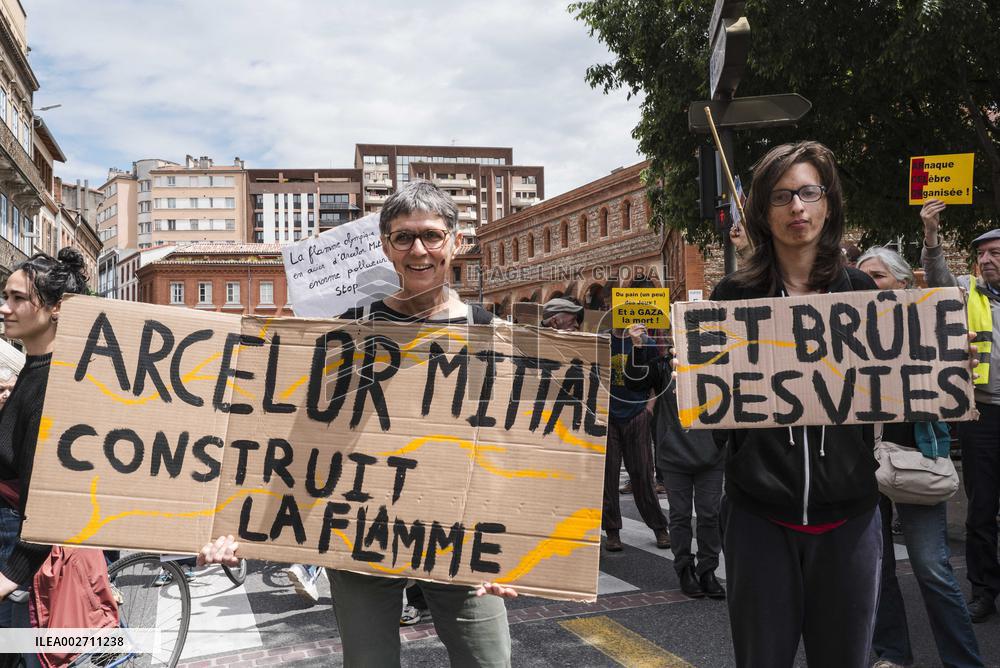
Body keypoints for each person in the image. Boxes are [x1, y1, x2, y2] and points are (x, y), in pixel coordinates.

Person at [199, 181, 515, 668]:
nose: (418, 250)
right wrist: (241, 525)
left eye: (431, 235)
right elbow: (298, 432)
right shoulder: (352, 329)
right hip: (362, 531)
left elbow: (514, 447)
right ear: (386, 247)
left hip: (464, 538)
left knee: (488, 661)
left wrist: (519, 545)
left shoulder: (490, 333)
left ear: (455, 241)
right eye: (403, 237)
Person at [709, 141, 883, 667]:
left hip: (850, 518)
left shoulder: (861, 292)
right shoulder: (732, 297)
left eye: (809, 192)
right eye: (782, 197)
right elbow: (718, 417)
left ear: (828, 203)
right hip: (758, 519)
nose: (798, 209)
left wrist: (944, 366)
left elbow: (890, 403)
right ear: (763, 211)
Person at [858, 246, 983, 668]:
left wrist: (960, 358)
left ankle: (963, 661)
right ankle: (891, 655)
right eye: (862, 277)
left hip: (917, 459)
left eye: (877, 276)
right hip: (862, 465)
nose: (868, 285)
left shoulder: (927, 327)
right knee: (878, 570)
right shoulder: (844, 329)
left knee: (932, 568)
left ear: (903, 283)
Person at [0, 250, 103, 667]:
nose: (4, 307)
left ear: (57, 308)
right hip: (14, 543)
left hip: (22, 552)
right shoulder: (33, 367)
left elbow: (49, 498)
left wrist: (10, 575)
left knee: (30, 654)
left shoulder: (50, 382)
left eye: (17, 298)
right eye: (5, 295)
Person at [920, 198, 1000, 623]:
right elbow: (936, 281)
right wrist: (932, 237)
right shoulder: (967, 292)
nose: (985, 260)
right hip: (983, 416)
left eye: (995, 254)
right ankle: (984, 591)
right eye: (981, 254)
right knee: (982, 509)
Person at [629, 331, 725, 599]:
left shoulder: (718, 363)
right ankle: (685, 568)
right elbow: (635, 382)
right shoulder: (661, 368)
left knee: (710, 515)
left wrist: (722, 442)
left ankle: (708, 570)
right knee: (680, 515)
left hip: (711, 456)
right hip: (674, 456)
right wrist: (637, 348)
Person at [602, 321, 670, 552]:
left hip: (636, 414)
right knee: (608, 476)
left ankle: (660, 527)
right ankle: (612, 531)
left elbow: (655, 378)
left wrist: (649, 408)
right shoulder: (601, 341)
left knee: (642, 473)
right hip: (607, 416)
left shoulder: (647, 341)